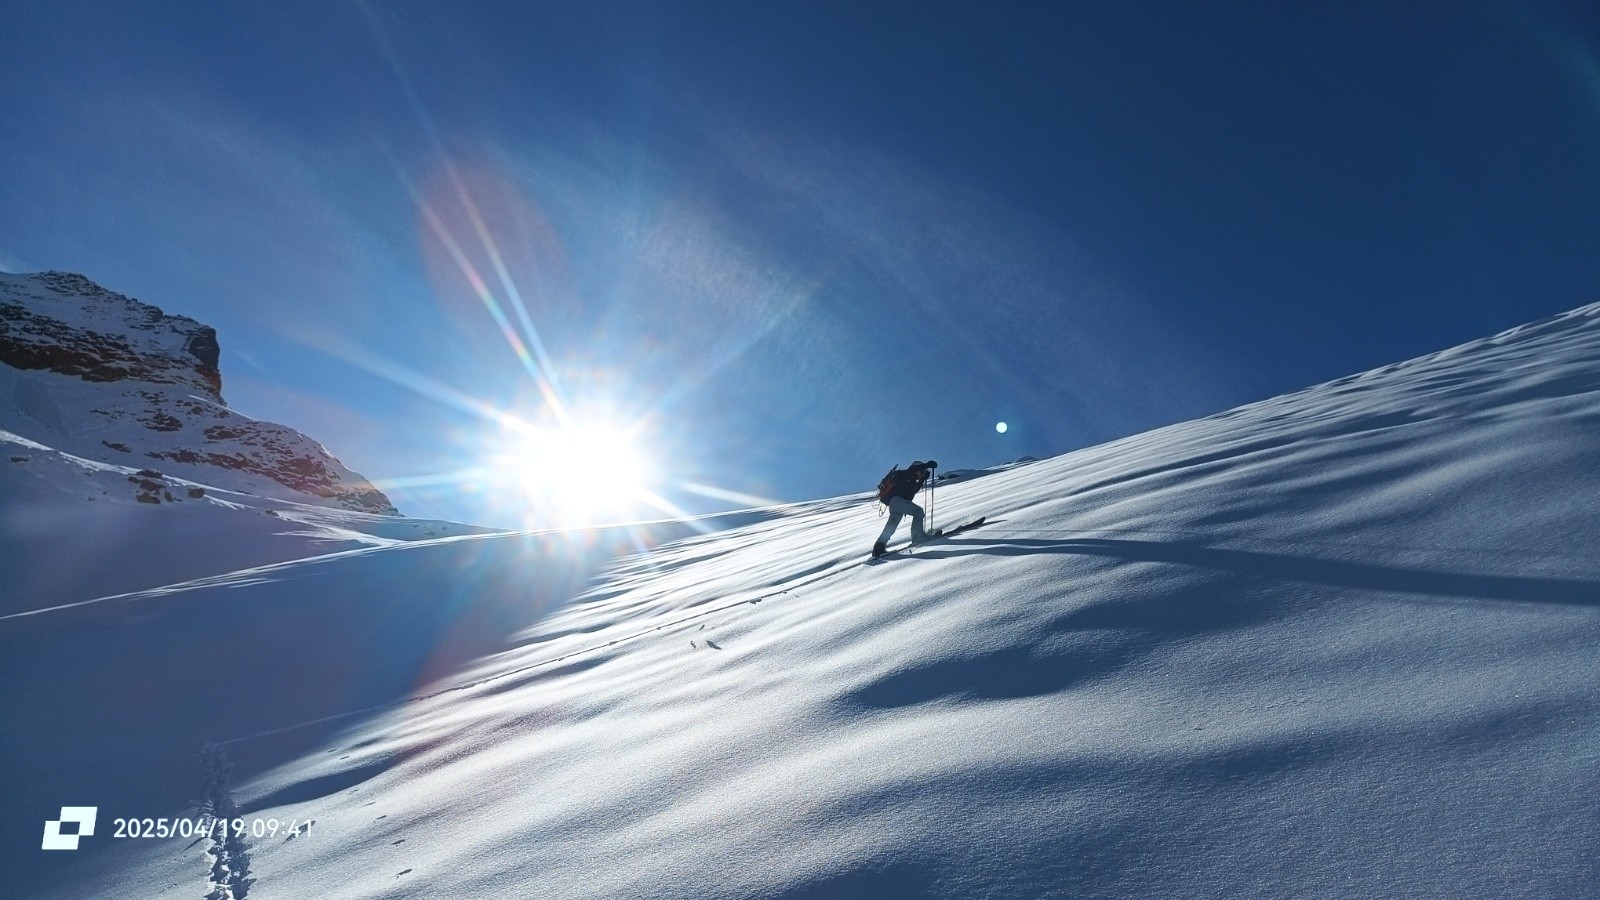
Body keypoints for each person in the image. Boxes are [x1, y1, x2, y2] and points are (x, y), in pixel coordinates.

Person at [872, 459, 937, 558]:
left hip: (895, 504)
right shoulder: (907, 473)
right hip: (898, 501)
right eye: (921, 471)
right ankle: (917, 536)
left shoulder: (911, 480)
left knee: (891, 526)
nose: (922, 473)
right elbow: (915, 468)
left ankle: (878, 548)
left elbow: (914, 490)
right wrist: (926, 465)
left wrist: (922, 479)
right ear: (917, 468)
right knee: (918, 511)